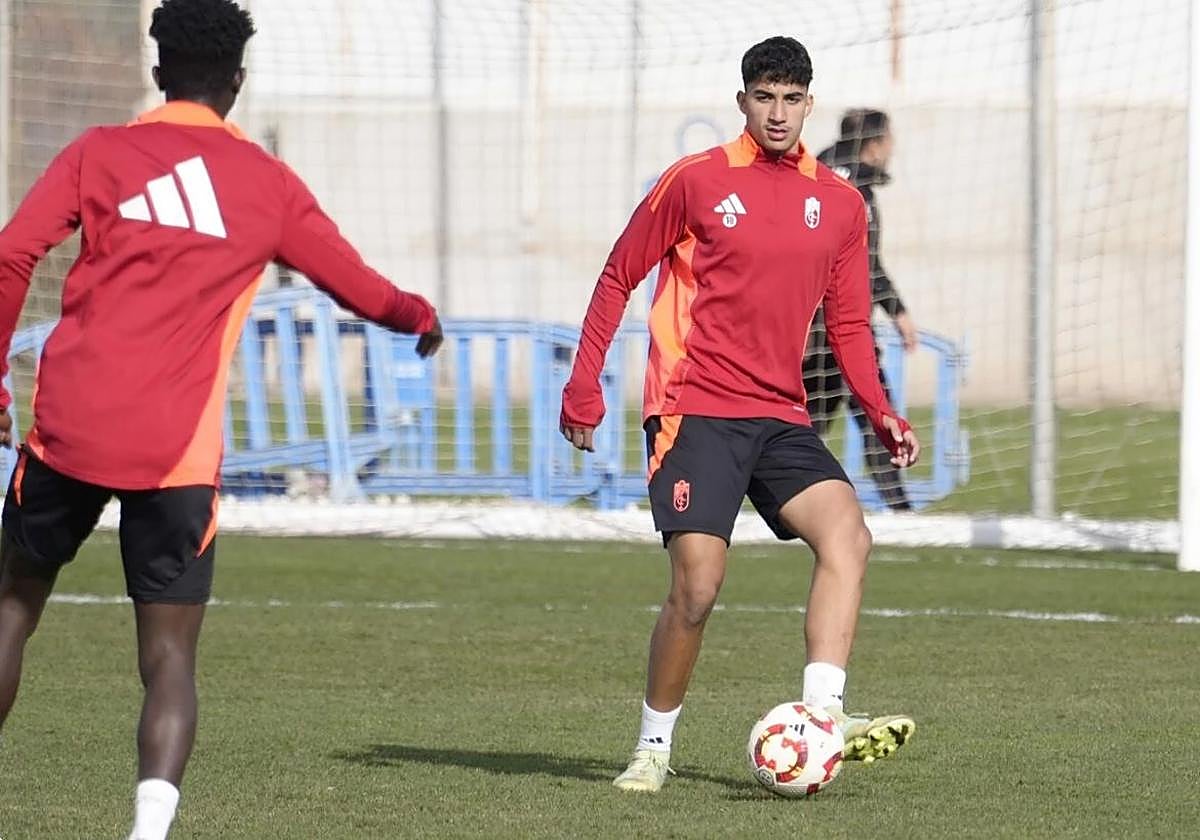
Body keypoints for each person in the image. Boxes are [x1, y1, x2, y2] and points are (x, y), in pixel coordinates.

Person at [0, 2, 443, 838]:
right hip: (175, 453)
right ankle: (148, 832)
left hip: (67, 431)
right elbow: (356, 285)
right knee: (169, 656)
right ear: (237, 81)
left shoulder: (98, 152)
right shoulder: (265, 183)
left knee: (12, 606)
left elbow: (11, 252)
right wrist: (418, 315)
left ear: (156, 71)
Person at [560, 36, 919, 793]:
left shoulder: (841, 204)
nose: (778, 113)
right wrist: (583, 384)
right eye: (764, 97)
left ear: (809, 104)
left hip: (780, 414)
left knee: (848, 535)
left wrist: (881, 412)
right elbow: (619, 274)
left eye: (791, 99)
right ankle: (652, 747)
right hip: (694, 408)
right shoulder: (694, 180)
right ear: (743, 101)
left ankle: (823, 715)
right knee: (697, 587)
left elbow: (849, 325)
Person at [805, 108, 917, 511]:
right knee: (878, 420)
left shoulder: (816, 174)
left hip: (814, 333)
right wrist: (897, 310)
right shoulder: (854, 195)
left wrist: (896, 310)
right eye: (889, 140)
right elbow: (863, 264)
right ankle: (901, 514)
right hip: (842, 332)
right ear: (873, 145)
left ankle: (776, 502)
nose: (892, 149)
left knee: (807, 429)